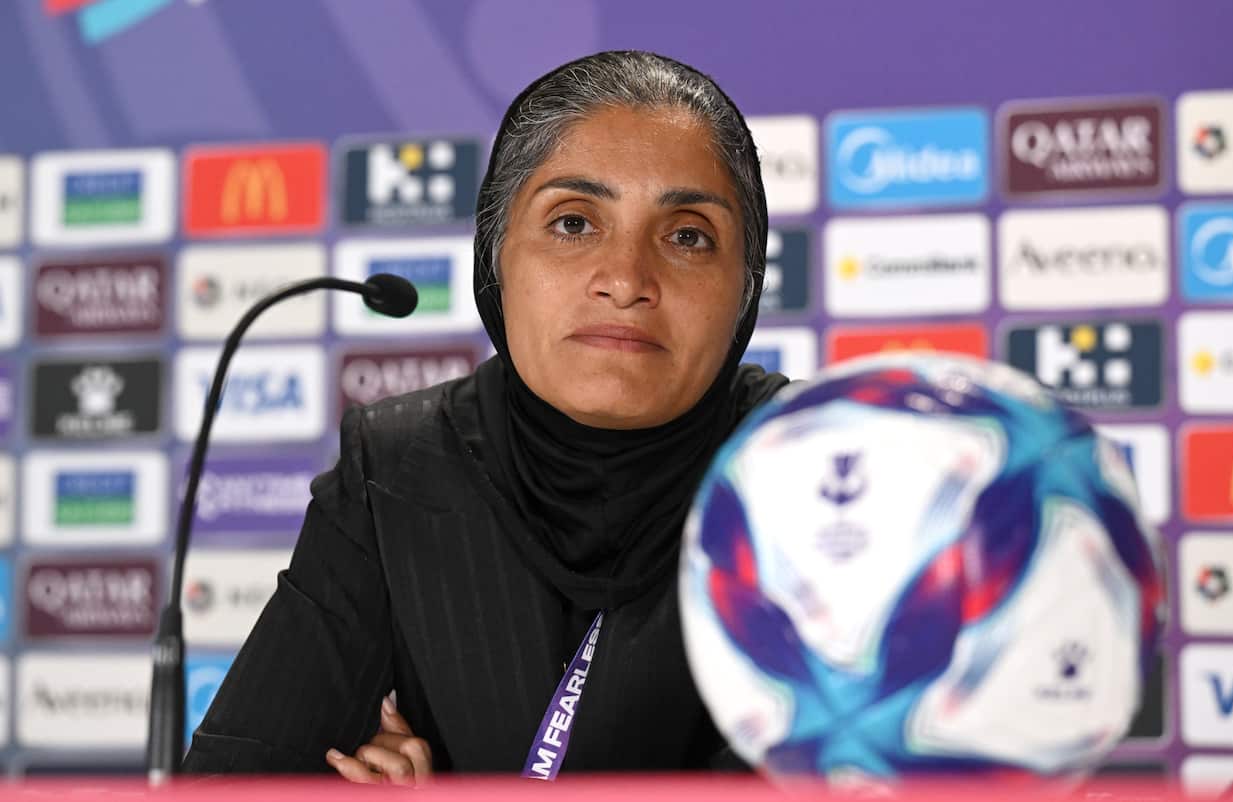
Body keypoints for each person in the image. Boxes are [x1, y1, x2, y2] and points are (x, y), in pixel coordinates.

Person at [181, 50, 789, 783]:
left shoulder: (827, 470)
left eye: (688, 235)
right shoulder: (397, 470)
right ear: (495, 256)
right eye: (573, 223)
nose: (627, 279)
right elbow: (235, 780)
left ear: (747, 284)